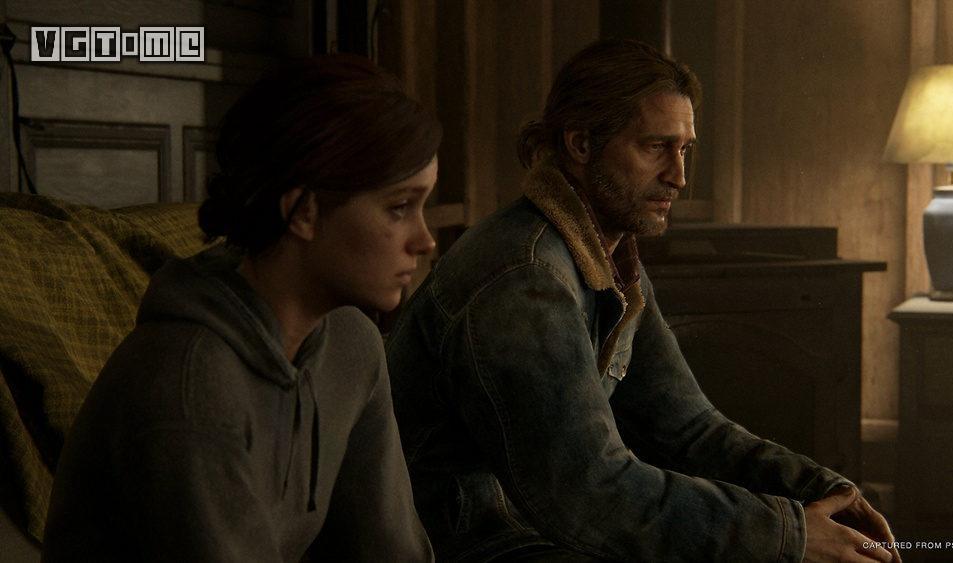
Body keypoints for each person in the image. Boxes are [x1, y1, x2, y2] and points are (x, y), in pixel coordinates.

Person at [386, 39, 900, 562]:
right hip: (471, 544)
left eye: (684, 150)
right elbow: (590, 493)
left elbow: (688, 429)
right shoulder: (526, 277)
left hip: (534, 530)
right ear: (581, 144)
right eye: (656, 147)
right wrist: (789, 535)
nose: (679, 177)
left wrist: (823, 491)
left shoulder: (607, 255)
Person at [43, 54, 439, 562]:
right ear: (304, 211)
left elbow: (390, 550)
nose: (425, 240)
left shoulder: (351, 342)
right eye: (399, 208)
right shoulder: (189, 383)